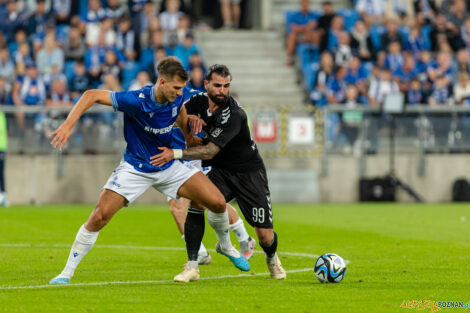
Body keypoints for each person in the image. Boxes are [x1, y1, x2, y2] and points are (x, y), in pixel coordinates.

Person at [48, 57, 249, 285]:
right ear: (162, 82)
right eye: (175, 88)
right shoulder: (136, 100)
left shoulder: (179, 96)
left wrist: (190, 133)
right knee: (99, 217)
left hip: (170, 164)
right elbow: (91, 95)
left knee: (217, 202)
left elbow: (182, 113)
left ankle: (226, 246)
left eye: (181, 88)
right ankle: (66, 273)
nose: (179, 92)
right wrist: (67, 125)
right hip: (137, 168)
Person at [150, 64, 286, 279]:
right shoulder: (197, 102)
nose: (222, 90)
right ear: (206, 85)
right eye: (217, 85)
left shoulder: (234, 114)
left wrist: (174, 153)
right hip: (222, 171)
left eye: (226, 86)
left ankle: (272, 259)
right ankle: (192, 267)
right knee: (197, 202)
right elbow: (177, 114)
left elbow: (210, 151)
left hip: (248, 173)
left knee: (265, 237)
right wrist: (189, 118)